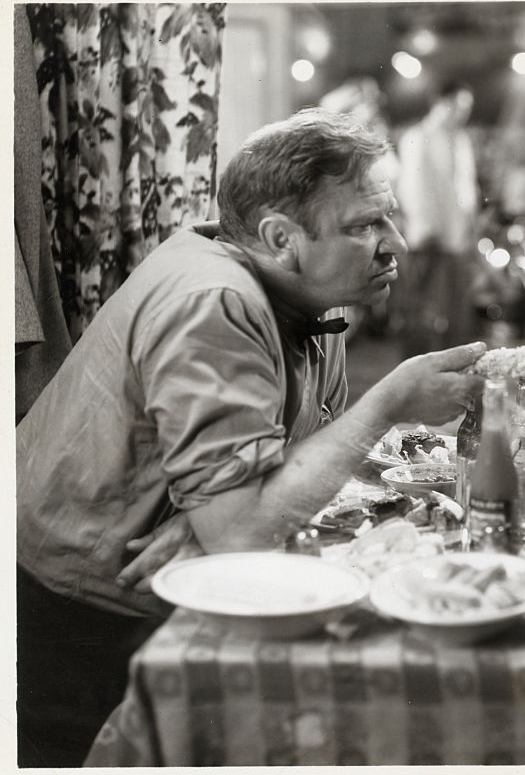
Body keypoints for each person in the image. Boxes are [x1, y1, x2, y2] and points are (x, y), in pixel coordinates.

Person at [16, 108, 485, 766]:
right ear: (280, 237)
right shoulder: (216, 301)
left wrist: (209, 510)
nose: (396, 245)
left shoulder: (305, 293)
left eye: (390, 217)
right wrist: (392, 402)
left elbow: (244, 500)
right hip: (83, 622)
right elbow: (240, 535)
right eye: (364, 225)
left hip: (144, 590)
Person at [393, 80, 480, 356]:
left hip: (457, 238)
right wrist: (429, 231)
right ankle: (414, 375)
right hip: (429, 239)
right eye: (459, 106)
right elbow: (415, 188)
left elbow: (466, 188)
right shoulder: (418, 137)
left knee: (456, 312)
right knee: (422, 311)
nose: (463, 113)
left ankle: (451, 372)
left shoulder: (461, 139)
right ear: (442, 103)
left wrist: (469, 226)